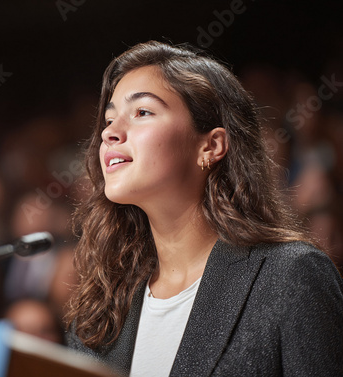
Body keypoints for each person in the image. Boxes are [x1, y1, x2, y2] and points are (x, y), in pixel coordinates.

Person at [64, 41, 343, 377]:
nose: (110, 132)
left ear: (210, 146)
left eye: (142, 112)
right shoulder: (101, 308)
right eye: (109, 119)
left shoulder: (290, 276)